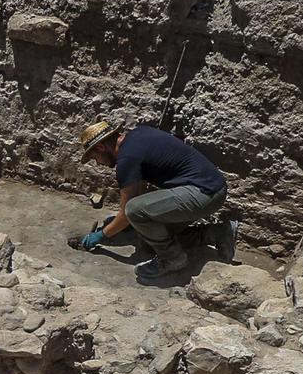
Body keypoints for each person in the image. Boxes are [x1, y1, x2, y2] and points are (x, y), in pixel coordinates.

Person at [71, 119, 233, 285]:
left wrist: (101, 235)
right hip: (210, 188)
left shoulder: (127, 159)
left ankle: (172, 259)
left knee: (134, 211)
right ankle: (216, 233)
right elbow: (138, 194)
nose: (98, 163)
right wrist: (127, 226)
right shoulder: (137, 136)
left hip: (203, 194)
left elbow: (128, 211)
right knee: (149, 241)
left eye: (95, 157)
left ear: (100, 147)